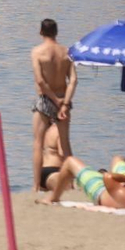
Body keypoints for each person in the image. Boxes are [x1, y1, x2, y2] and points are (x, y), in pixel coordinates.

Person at [31, 18, 76, 193]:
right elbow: (73, 80)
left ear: (41, 32)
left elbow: (40, 81)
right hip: (64, 98)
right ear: (56, 32)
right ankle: (71, 183)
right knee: (65, 144)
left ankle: (36, 186)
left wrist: (55, 101)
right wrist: (64, 103)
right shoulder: (67, 52)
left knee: (38, 143)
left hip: (45, 99)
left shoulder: (37, 52)